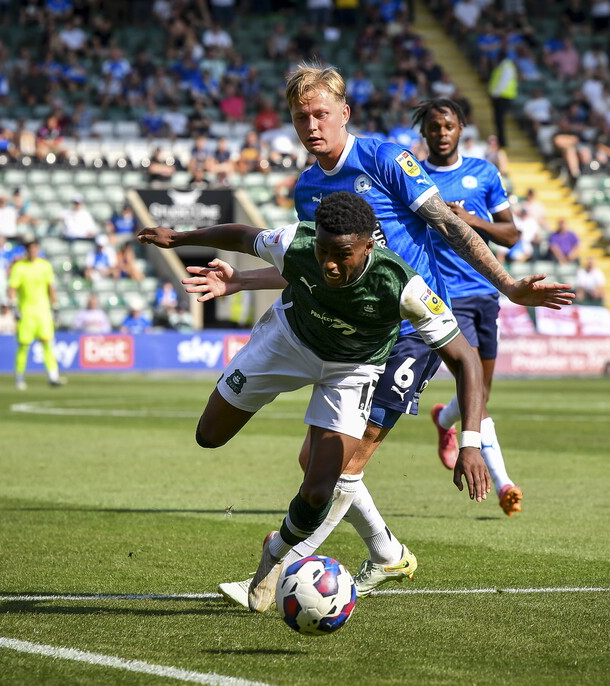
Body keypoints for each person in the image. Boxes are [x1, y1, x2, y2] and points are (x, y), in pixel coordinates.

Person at [183, 64, 572, 606]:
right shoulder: (310, 187)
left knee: (346, 463)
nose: (312, 125)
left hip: (411, 324)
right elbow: (314, 265)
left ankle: (278, 567)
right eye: (301, 117)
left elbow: (449, 223)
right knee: (315, 464)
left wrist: (506, 284)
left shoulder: (387, 159)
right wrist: (240, 280)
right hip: (354, 327)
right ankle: (387, 554)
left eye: (321, 114)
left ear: (345, 113)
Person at [138, 191, 491, 612]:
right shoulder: (296, 242)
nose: (328, 263)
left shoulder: (403, 286)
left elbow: (467, 359)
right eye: (323, 249)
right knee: (208, 436)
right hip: (286, 342)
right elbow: (243, 235)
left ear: (368, 246)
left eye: (341, 254)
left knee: (320, 486)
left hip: (351, 370)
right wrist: (179, 239)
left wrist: (470, 442)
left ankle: (277, 554)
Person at [413, 98, 524, 515]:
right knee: (478, 392)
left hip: (486, 293)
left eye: (449, 126)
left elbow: (511, 235)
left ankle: (443, 420)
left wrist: (470, 220)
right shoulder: (413, 175)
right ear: (423, 132)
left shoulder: (483, 173)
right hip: (443, 296)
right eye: (434, 127)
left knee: (481, 392)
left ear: (462, 128)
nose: (442, 133)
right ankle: (503, 484)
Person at [8, 238, 65, 390]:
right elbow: (12, 288)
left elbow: (50, 287)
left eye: (35, 249)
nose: (33, 251)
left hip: (43, 313)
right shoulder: (19, 267)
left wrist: (55, 306)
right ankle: (19, 378)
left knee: (48, 344)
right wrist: (13, 307)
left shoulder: (45, 266)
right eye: (31, 249)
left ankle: (53, 376)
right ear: (27, 251)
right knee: (23, 345)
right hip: (26, 313)